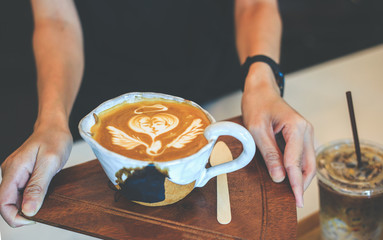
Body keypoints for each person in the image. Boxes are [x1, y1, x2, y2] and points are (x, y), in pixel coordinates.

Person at [0, 0, 315, 227]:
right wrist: (51, 120)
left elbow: (254, 4)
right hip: (99, 98)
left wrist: (262, 82)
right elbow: (56, 19)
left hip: (218, 89)